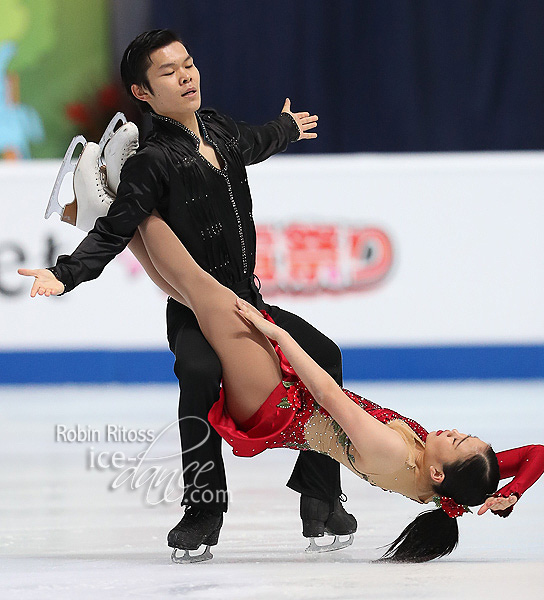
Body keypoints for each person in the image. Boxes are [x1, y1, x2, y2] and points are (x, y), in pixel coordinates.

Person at [20, 211, 544, 562]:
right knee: (191, 292)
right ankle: (111, 204)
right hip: (290, 398)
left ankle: (118, 198)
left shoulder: (391, 450)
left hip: (277, 407)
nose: (456, 430)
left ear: (436, 471)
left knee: (204, 286)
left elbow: (327, 394)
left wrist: (275, 333)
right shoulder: (447, 477)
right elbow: (538, 452)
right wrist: (509, 491)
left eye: (458, 439)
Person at [18, 29, 356, 559]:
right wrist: (65, 273)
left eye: (189, 64)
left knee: (326, 355)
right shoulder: (151, 162)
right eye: (168, 72)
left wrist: (286, 128)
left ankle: (320, 498)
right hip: (195, 310)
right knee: (199, 374)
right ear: (143, 93)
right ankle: (203, 509)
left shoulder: (219, 130)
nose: (186, 75)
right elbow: (114, 226)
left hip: (251, 300)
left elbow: (255, 140)